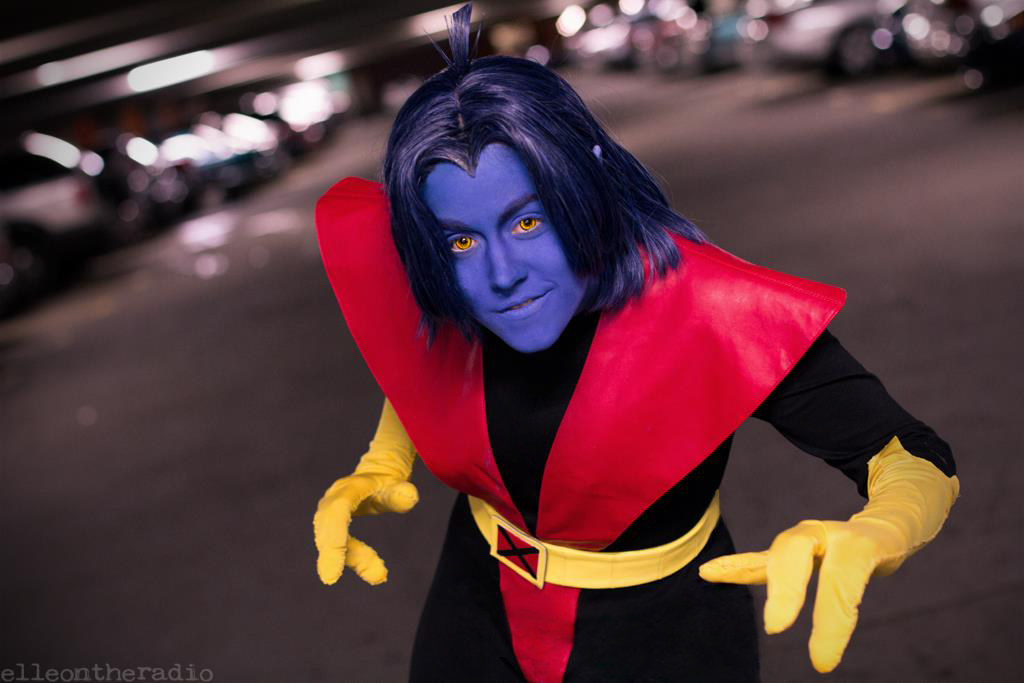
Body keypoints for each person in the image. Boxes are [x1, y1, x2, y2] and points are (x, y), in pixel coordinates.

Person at [311, 5, 960, 681]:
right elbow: (427, 358)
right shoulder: (448, 275)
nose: (501, 276)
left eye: (528, 222)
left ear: (587, 191)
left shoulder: (710, 310)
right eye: (463, 241)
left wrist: (886, 526)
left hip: (663, 634)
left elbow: (909, 453)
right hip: (474, 602)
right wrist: (385, 458)